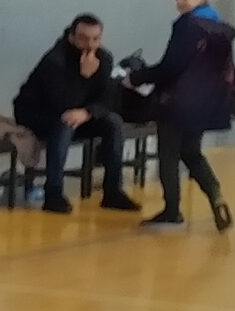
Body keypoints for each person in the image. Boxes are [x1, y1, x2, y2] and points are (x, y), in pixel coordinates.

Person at [131, 0, 235, 233]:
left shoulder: (187, 25)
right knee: (191, 153)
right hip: (204, 104)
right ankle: (215, 196)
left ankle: (171, 211)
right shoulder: (219, 28)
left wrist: (137, 77)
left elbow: (171, 66)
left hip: (177, 103)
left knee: (168, 154)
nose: (180, 2)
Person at [15, 14, 142, 215]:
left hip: (79, 113)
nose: (90, 45)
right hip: (39, 115)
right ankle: (53, 193)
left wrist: (88, 112)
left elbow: (109, 98)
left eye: (95, 39)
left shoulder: (103, 58)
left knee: (113, 122)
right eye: (83, 38)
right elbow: (62, 105)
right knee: (66, 122)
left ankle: (113, 192)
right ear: (72, 37)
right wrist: (84, 76)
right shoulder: (55, 61)